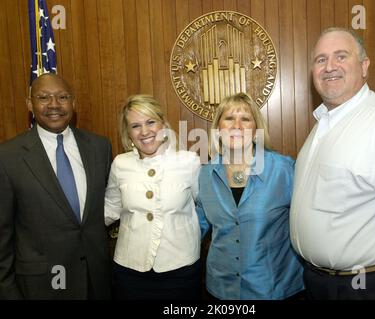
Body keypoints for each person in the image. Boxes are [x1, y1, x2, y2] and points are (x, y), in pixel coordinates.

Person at [290, 27, 375, 300]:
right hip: (317, 284)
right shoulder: (321, 126)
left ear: (364, 66)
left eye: (341, 56)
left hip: (368, 287)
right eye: (320, 59)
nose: (329, 67)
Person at [0, 73, 113, 299]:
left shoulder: (100, 147)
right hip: (41, 285)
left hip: (97, 281)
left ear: (74, 103)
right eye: (43, 97)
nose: (54, 105)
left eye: (62, 97)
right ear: (30, 104)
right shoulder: (7, 157)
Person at [196, 92, 304, 300]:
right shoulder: (205, 174)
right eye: (229, 118)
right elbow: (196, 228)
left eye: (245, 119)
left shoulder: (283, 170)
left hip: (273, 289)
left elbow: (307, 224)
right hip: (220, 290)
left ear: (256, 132)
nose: (237, 125)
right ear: (218, 130)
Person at [104, 95, 201, 300]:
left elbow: (205, 207)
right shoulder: (120, 164)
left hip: (180, 270)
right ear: (128, 133)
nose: (145, 131)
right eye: (135, 126)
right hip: (129, 271)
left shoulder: (189, 161)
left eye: (150, 122)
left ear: (163, 124)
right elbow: (110, 208)